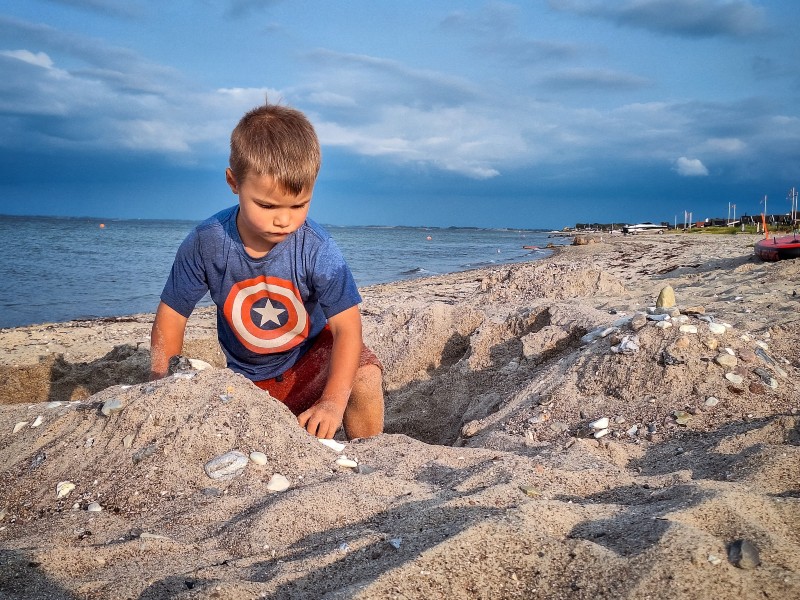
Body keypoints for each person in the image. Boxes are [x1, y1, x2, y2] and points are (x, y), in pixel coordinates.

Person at [150, 103, 384, 440]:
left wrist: (332, 403)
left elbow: (348, 328)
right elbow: (171, 318)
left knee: (365, 375)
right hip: (247, 380)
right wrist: (162, 387)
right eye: (267, 205)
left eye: (298, 205)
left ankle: (369, 453)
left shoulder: (317, 248)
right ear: (234, 182)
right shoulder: (207, 242)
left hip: (311, 363)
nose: (284, 220)